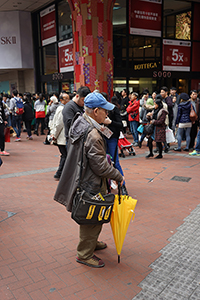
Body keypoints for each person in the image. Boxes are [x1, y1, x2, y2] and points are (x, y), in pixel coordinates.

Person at [54, 92, 123, 268]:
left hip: (83, 177)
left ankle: (92, 241)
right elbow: (100, 166)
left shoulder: (82, 121)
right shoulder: (92, 133)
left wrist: (105, 125)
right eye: (105, 111)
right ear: (96, 111)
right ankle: (84, 253)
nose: (107, 114)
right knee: (91, 217)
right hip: (90, 181)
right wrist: (118, 176)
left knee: (92, 215)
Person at [103, 94, 127, 195]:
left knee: (115, 162)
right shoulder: (95, 110)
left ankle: (122, 186)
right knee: (104, 162)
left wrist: (110, 122)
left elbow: (120, 124)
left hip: (112, 138)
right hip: (101, 138)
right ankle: (107, 186)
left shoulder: (113, 109)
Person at [50, 93, 70, 180]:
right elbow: (58, 124)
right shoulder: (62, 109)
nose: (67, 101)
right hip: (61, 137)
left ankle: (61, 173)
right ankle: (59, 173)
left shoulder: (62, 108)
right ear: (61, 100)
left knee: (64, 155)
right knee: (64, 155)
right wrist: (54, 135)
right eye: (65, 99)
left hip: (61, 137)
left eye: (68, 99)